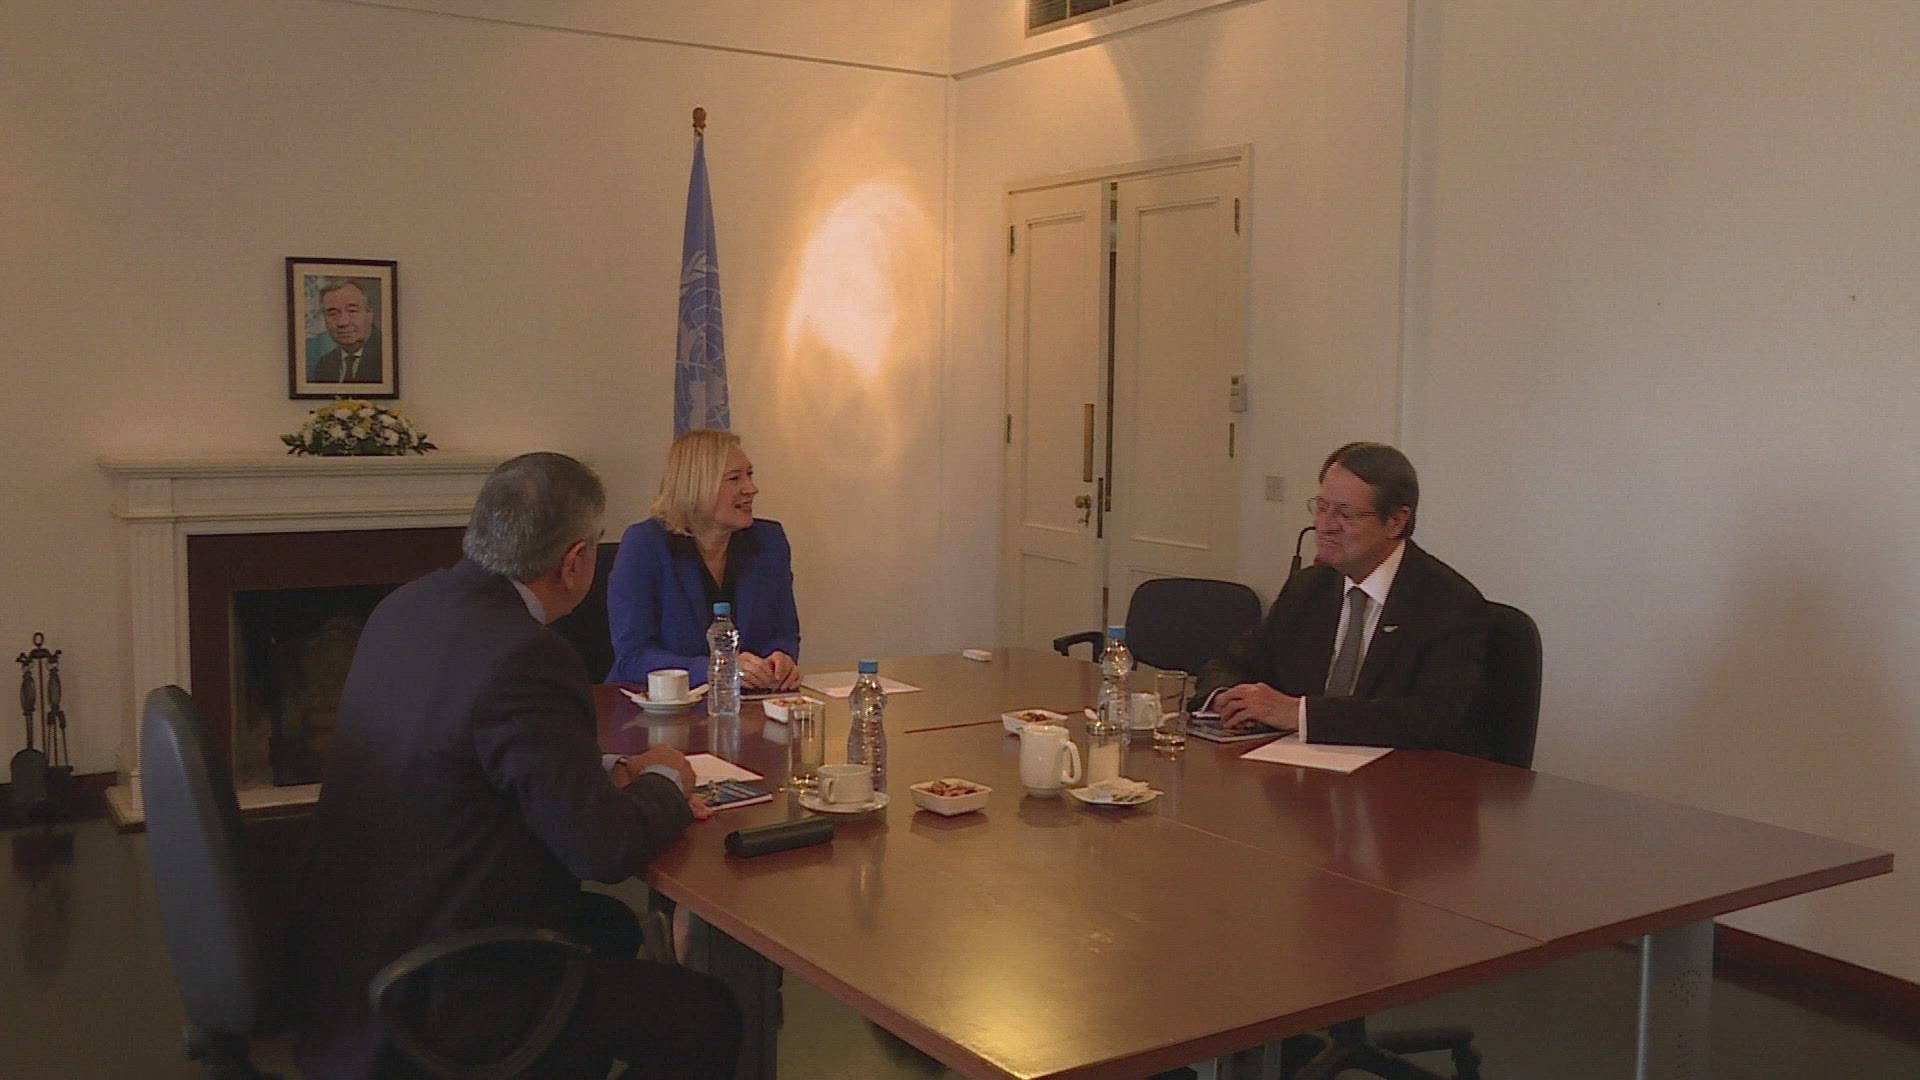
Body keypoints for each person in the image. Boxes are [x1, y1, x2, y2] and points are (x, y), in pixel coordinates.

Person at [289, 452, 740, 1080]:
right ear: (575, 562)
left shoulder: (407, 607)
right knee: (707, 1016)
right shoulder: (526, 654)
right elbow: (602, 851)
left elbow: (475, 754)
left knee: (609, 928)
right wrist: (668, 777)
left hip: (354, 957)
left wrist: (608, 769)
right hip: (446, 988)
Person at [1195, 441, 1492, 754]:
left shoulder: (1448, 602)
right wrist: (1227, 698)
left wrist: (1299, 714)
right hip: (1294, 767)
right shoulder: (1309, 587)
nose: (1324, 526)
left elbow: (1432, 718)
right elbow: (1233, 662)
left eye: (1346, 515)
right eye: (1322, 508)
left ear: (1395, 521)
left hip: (1395, 775)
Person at [607, 429, 800, 690]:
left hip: (751, 702)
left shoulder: (769, 541)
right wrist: (718, 669)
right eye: (735, 478)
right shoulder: (645, 544)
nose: (751, 489)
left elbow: (784, 634)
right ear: (696, 487)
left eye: (750, 475)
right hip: (661, 705)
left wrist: (781, 660)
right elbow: (632, 657)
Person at [311, 278, 384, 383]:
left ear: (369, 314)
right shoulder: (324, 365)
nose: (342, 322)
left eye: (352, 311)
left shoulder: (390, 356)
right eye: (332, 313)